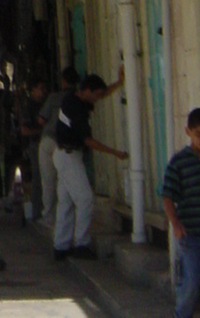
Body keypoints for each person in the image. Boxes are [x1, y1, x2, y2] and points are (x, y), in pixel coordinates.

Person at [53, 67, 127, 261]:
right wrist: (115, 153)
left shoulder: (74, 99)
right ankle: (81, 244)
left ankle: (60, 246)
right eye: (96, 95)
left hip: (64, 154)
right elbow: (88, 141)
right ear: (87, 91)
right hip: (69, 156)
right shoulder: (77, 109)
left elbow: (100, 94)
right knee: (85, 199)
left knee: (66, 203)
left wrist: (118, 84)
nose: (98, 99)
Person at [161, 107, 200, 318]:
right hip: (191, 236)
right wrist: (176, 225)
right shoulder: (179, 162)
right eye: (199, 135)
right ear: (188, 132)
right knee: (192, 285)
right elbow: (167, 196)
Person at [37, 68, 76, 225]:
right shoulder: (77, 98)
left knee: (48, 180)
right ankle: (67, 215)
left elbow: (41, 119)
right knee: (65, 181)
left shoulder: (54, 98)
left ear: (63, 81)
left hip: (50, 141)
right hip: (67, 144)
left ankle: (48, 214)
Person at [19, 74, 48, 223]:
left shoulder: (45, 104)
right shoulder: (29, 107)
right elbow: (24, 130)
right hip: (36, 144)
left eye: (44, 89)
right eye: (40, 89)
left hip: (46, 144)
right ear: (33, 90)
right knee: (38, 178)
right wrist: (42, 132)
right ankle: (37, 212)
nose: (43, 92)